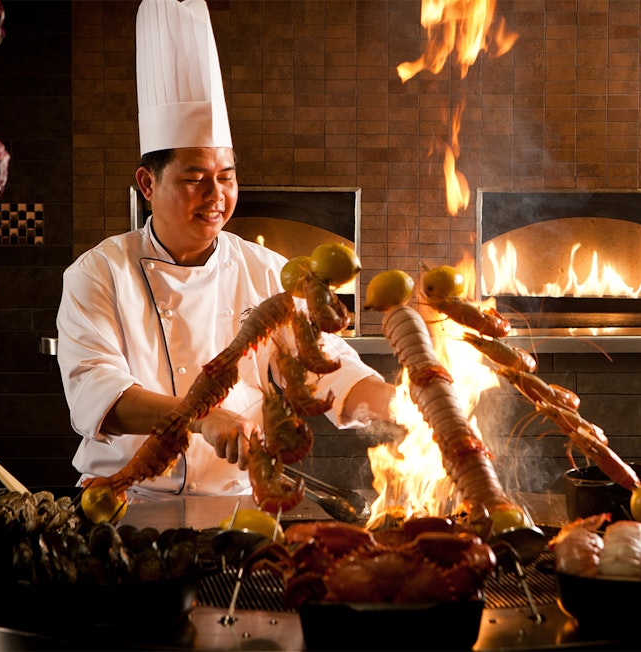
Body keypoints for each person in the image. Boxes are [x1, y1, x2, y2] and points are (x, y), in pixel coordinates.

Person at [56, 0, 394, 500]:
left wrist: (405, 405)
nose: (216, 196)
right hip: (124, 499)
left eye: (227, 178)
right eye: (194, 178)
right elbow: (96, 391)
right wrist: (202, 417)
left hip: (236, 500)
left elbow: (330, 367)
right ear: (147, 184)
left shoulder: (267, 270)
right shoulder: (99, 272)